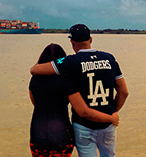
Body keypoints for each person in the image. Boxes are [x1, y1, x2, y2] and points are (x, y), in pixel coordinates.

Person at [30, 24, 129, 157]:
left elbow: (35, 70)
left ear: (72, 42)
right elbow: (123, 92)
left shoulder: (69, 62)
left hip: (83, 126)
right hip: (108, 124)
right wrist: (113, 113)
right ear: (91, 39)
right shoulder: (109, 58)